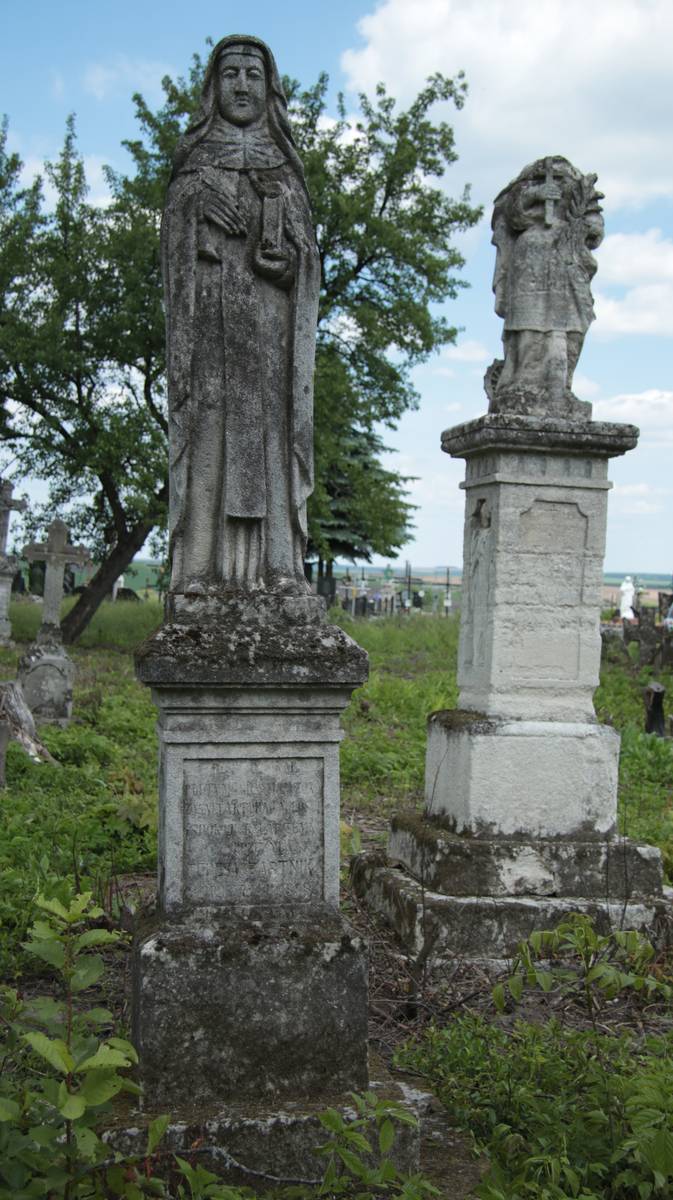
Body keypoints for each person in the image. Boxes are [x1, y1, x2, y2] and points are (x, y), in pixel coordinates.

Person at [162, 36, 320, 596]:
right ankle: (199, 571)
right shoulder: (193, 170)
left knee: (274, 445)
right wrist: (191, 217)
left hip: (271, 343)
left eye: (254, 74)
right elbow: (172, 257)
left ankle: (280, 567)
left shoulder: (284, 171)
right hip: (208, 336)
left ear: (269, 88)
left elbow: (307, 265)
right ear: (213, 87)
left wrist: (286, 265)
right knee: (208, 438)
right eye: (231, 73)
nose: (242, 85)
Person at [490, 156, 604, 409]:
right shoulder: (527, 183)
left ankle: (561, 387)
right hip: (532, 256)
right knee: (528, 324)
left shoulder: (578, 184)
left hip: (568, 258)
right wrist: (535, 194)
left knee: (573, 328)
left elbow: (595, 229)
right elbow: (510, 215)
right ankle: (524, 384)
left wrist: (583, 226)